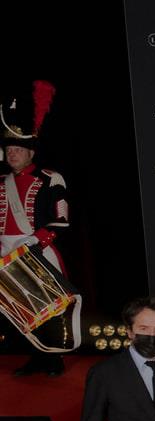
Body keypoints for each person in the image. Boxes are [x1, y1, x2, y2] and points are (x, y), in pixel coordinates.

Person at [2, 81, 71, 376]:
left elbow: (62, 220)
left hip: (37, 248)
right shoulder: (1, 182)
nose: (12, 154)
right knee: (20, 306)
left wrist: (34, 241)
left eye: (18, 149)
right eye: (9, 149)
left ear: (31, 153)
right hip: (5, 252)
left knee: (47, 305)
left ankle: (53, 358)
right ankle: (34, 357)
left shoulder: (50, 178)